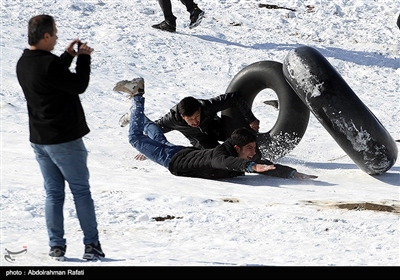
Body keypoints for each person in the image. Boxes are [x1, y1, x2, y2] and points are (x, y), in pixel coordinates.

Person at [16, 14, 105, 261]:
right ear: (45, 36)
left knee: (53, 194)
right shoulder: (49, 64)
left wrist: (67, 56)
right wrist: (84, 58)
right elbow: (78, 85)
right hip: (64, 140)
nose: (56, 37)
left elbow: (51, 78)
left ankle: (57, 246)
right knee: (81, 191)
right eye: (54, 33)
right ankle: (91, 245)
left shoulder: (23, 62)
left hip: (39, 140)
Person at [114, 77, 318, 180]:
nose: (253, 152)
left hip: (185, 153)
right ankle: (137, 97)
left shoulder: (209, 109)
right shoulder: (223, 155)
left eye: (197, 117)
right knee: (136, 139)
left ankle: (136, 115)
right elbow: (220, 160)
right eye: (250, 148)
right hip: (175, 158)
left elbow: (263, 163)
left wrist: (293, 174)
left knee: (158, 142)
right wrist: (250, 167)